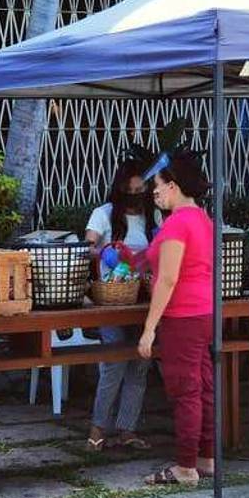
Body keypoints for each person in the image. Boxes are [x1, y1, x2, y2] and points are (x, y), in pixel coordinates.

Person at [137, 152, 214, 487]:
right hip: (204, 312)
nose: (154, 193)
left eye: (157, 186)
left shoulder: (178, 222)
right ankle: (205, 457)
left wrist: (149, 329)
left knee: (186, 390)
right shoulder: (202, 218)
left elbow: (168, 279)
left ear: (173, 185)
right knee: (203, 386)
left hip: (182, 315)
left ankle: (185, 467)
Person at [84, 159, 155, 452]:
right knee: (113, 362)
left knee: (140, 364)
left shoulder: (155, 218)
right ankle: (98, 427)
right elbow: (87, 248)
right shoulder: (103, 214)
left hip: (145, 299)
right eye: (131, 190)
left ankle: (128, 428)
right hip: (112, 299)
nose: (136, 195)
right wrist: (111, 256)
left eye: (142, 189)